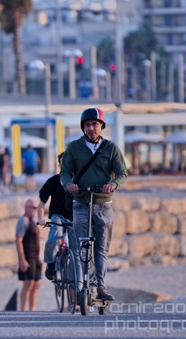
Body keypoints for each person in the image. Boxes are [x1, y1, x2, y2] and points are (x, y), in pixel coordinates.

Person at [61, 108, 128, 301]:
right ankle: (82, 285)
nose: (92, 128)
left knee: (101, 248)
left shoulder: (111, 148)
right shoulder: (73, 147)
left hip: (103, 204)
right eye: (88, 125)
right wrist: (69, 184)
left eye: (95, 124)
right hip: (81, 203)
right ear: (83, 127)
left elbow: (122, 173)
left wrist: (113, 184)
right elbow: (65, 171)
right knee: (82, 245)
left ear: (101, 126)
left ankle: (100, 286)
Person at [36, 152, 78, 282]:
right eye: (63, 163)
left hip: (74, 217)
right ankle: (51, 265)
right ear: (59, 165)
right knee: (54, 237)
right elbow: (42, 203)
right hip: (58, 216)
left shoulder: (78, 181)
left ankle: (75, 280)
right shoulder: (53, 181)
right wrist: (40, 218)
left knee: (77, 248)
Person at [15, 198, 42, 311]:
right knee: (28, 284)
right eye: (33, 207)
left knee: (36, 284)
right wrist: (22, 259)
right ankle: (23, 310)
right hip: (28, 256)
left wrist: (39, 257)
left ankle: (32, 310)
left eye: (36, 207)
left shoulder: (33, 220)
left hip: (35, 257)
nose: (35, 210)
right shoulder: (23, 220)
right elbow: (18, 240)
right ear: (27, 207)